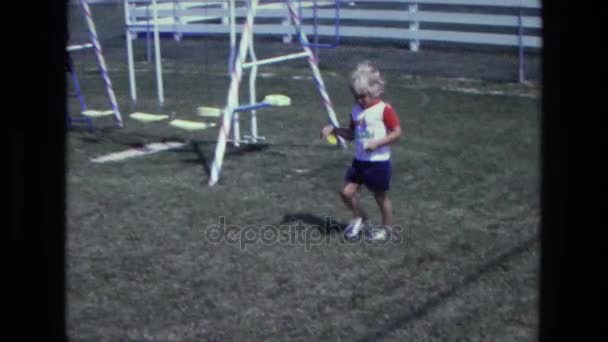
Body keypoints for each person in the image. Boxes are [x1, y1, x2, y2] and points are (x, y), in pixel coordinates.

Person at [321, 60, 402, 241]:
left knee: (381, 198)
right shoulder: (356, 110)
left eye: (364, 96)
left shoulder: (384, 110)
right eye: (356, 96)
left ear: (375, 91)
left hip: (378, 163)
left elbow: (397, 133)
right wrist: (334, 130)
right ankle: (360, 217)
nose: (360, 100)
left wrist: (378, 143)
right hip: (359, 161)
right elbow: (351, 134)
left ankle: (387, 230)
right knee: (346, 193)